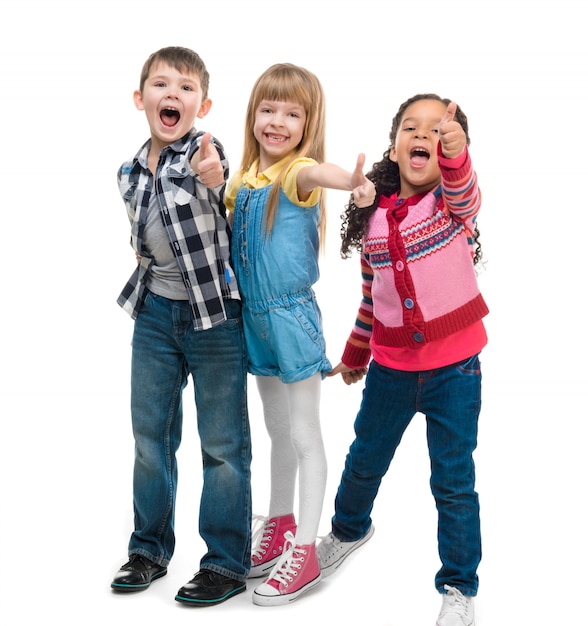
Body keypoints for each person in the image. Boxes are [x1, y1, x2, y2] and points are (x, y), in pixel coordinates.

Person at [317, 94, 488, 626]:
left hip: (456, 372)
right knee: (364, 457)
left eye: (437, 132)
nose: (423, 136)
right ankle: (348, 530)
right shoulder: (373, 220)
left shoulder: (451, 207)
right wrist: (353, 356)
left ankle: (459, 587)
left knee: (453, 480)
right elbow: (372, 302)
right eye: (411, 128)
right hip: (390, 371)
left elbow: (465, 188)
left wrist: (457, 154)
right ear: (395, 145)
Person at [223, 63, 375, 607]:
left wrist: (354, 184)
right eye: (268, 109)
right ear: (252, 115)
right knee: (276, 429)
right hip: (253, 321)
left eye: (292, 112)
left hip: (290, 319)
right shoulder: (242, 182)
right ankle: (282, 521)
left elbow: (321, 175)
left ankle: (306, 548)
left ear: (307, 124)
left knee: (305, 434)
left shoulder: (295, 173)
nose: (277, 121)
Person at [110, 46, 252, 608]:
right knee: (151, 438)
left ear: (204, 104)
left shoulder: (204, 154)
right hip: (154, 315)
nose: (174, 94)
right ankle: (148, 550)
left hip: (213, 314)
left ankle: (224, 562)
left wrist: (215, 178)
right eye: (162, 85)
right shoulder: (127, 172)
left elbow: (221, 187)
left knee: (222, 444)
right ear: (140, 99)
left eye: (187, 87)